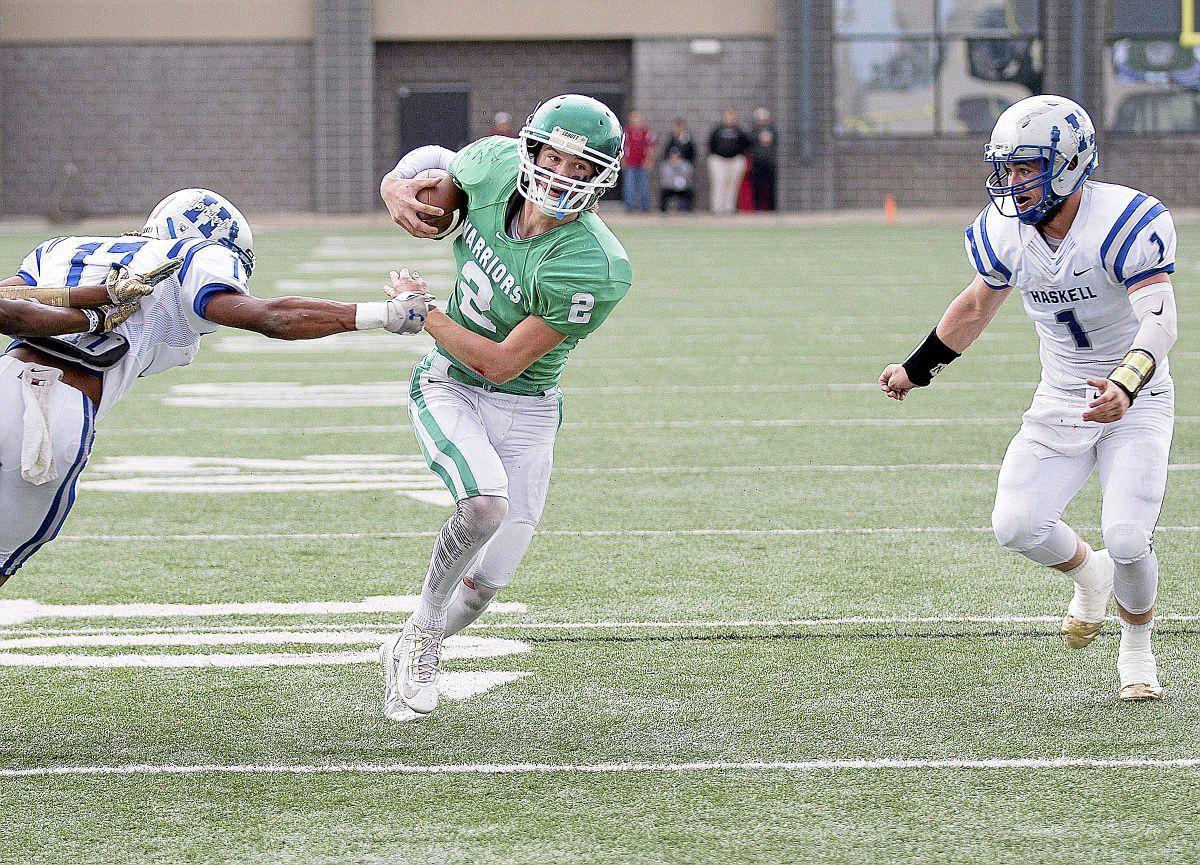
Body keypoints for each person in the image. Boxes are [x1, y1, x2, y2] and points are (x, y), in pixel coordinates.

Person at [879, 95, 1179, 702]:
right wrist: (918, 369)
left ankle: (1138, 647)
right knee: (1015, 526)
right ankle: (1088, 574)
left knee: (1127, 535)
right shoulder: (1005, 232)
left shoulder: (1124, 222)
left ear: (1070, 166)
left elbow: (1162, 322)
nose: (1012, 182)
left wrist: (1125, 384)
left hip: (1134, 395)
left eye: (1026, 168)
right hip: (1062, 393)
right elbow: (974, 308)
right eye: (1007, 168)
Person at [0, 188, 430, 584]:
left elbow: (10, 306)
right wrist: (384, 314)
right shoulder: (194, 254)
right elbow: (269, 316)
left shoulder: (61, 248)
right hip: (48, 414)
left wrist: (85, 303)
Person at [377, 94, 632, 722]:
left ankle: (419, 636)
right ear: (530, 150)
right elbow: (419, 182)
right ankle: (422, 637)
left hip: (525, 403)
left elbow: (500, 361)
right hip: (450, 383)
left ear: (602, 177)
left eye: (582, 166)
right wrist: (394, 189)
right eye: (555, 157)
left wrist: (424, 312)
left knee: (488, 582)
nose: (563, 175)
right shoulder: (490, 166)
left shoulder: (594, 263)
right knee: (485, 504)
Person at [706, 107, 751, 214]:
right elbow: (711, 144)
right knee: (719, 183)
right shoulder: (718, 130)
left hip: (735, 160)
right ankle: (717, 208)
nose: (730, 118)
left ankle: (729, 208)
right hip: (719, 160)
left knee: (732, 186)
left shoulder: (739, 131)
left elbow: (747, 145)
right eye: (728, 116)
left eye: (732, 116)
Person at [622, 110, 655, 212]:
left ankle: (645, 207)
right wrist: (622, 159)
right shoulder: (627, 132)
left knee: (644, 186)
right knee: (629, 186)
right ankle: (630, 207)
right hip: (630, 163)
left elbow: (651, 147)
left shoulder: (646, 132)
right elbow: (623, 147)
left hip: (642, 163)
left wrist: (649, 160)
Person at [749, 106, 778, 211]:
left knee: (771, 187)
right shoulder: (753, 131)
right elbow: (750, 143)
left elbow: (775, 142)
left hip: (769, 163)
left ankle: (772, 209)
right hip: (757, 163)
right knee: (757, 187)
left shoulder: (772, 130)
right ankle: (757, 208)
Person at [659, 147, 694, 213]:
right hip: (670, 187)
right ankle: (663, 211)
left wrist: (682, 182)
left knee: (689, 192)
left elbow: (688, 175)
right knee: (664, 192)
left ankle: (687, 210)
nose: (674, 158)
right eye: (672, 156)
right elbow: (665, 178)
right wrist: (674, 182)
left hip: (683, 188)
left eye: (676, 156)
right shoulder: (665, 165)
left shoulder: (686, 164)